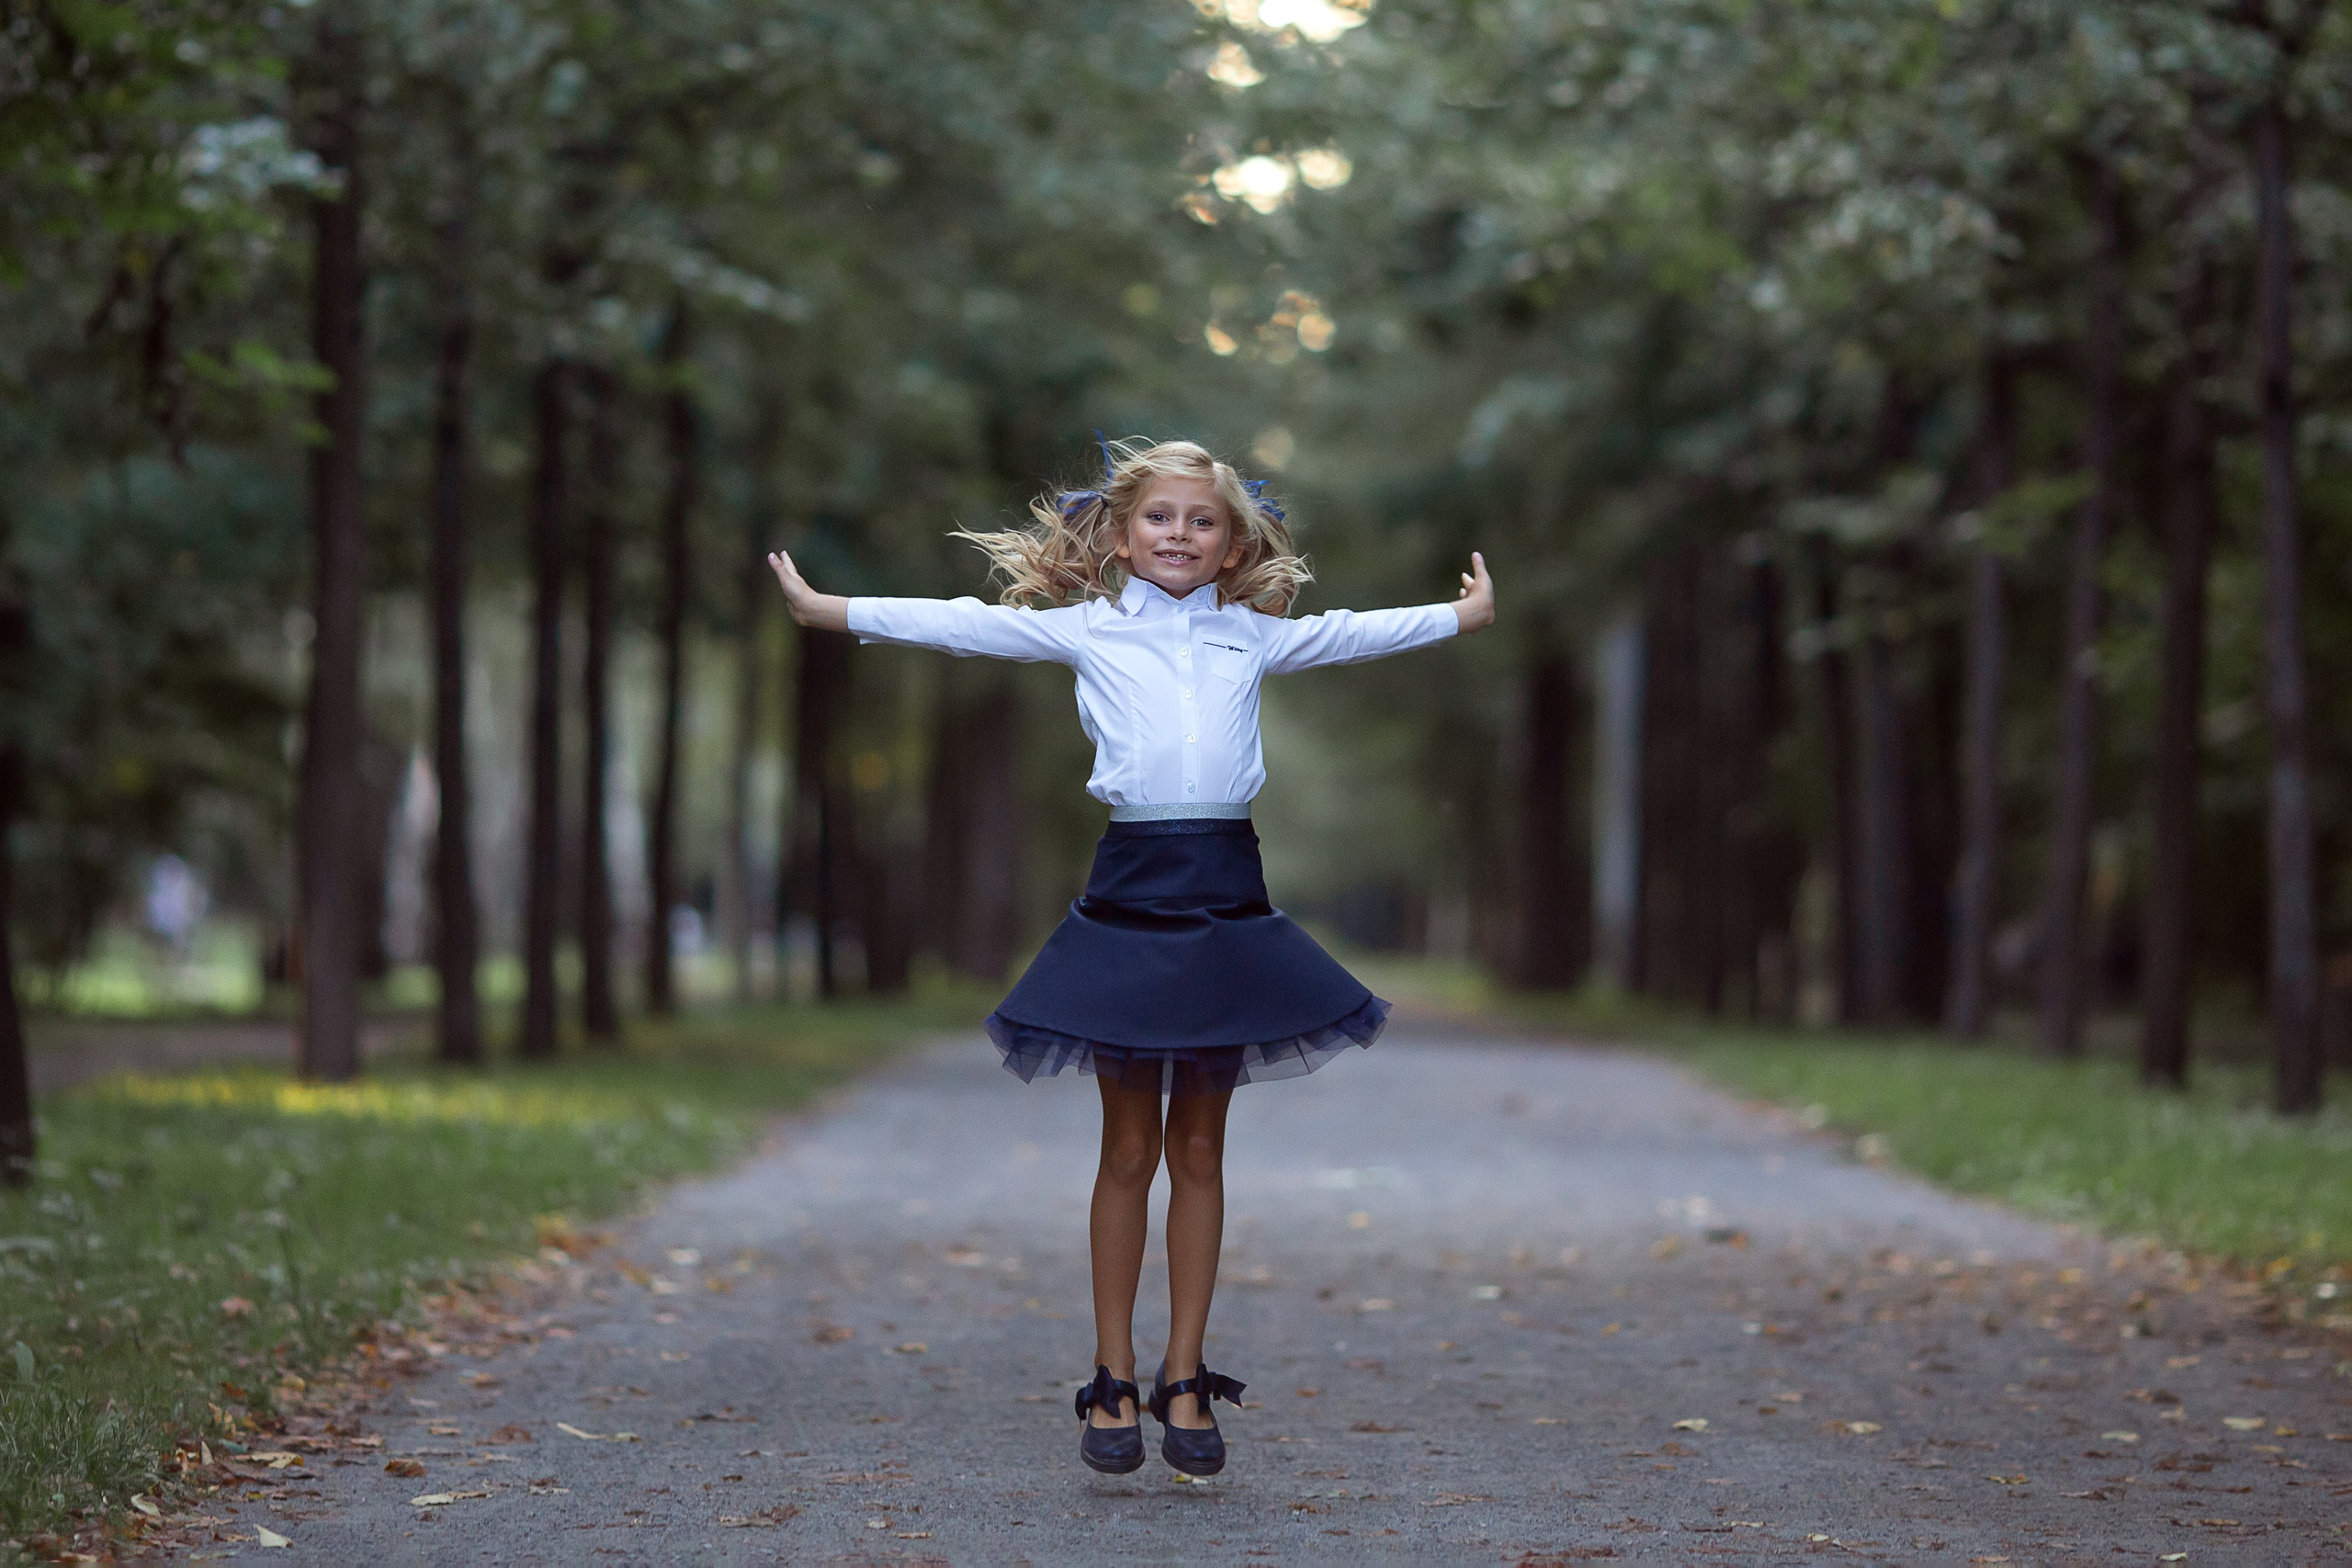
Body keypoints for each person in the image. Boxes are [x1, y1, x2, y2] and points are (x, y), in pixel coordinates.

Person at [767, 436, 1496, 1477]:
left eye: (1202, 521)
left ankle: (1185, 1375)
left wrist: (1460, 617)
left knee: (1200, 1152)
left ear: (1232, 542)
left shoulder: (1256, 637)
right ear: (1118, 535)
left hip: (1227, 893)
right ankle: (1110, 1377)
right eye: (1160, 517)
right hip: (1131, 891)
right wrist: (830, 611)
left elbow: (1352, 632)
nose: (1180, 536)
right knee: (1127, 1151)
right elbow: (965, 627)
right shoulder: (1091, 630)